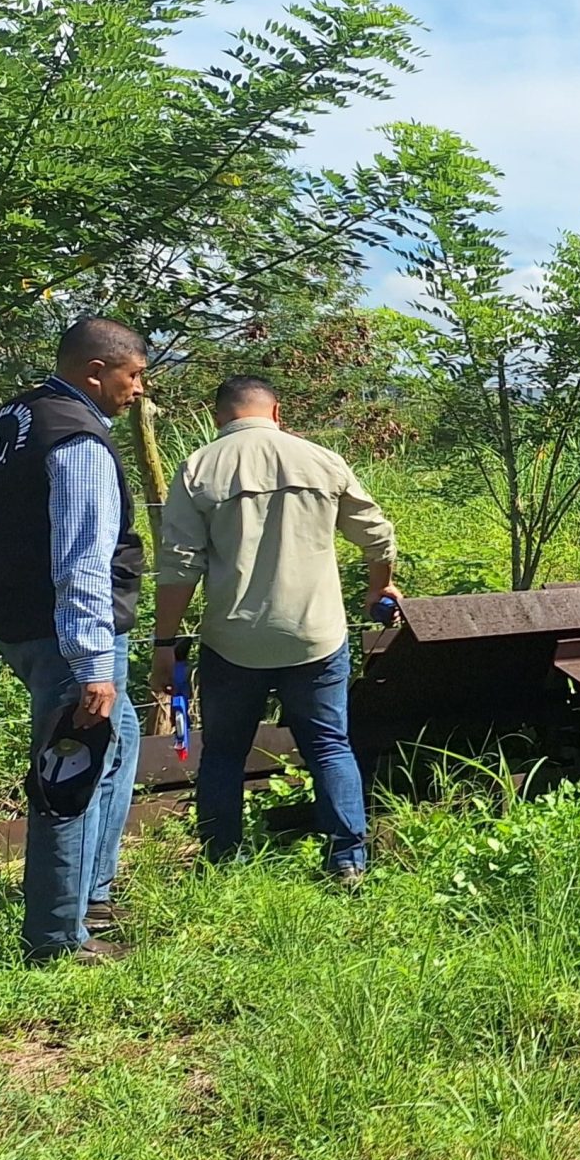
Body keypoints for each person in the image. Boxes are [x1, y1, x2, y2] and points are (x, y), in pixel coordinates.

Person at [152, 375, 399, 886]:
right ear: (276, 412)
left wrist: (165, 643)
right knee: (329, 746)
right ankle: (347, 860)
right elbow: (377, 535)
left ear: (219, 417)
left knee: (224, 753)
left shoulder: (199, 467)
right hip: (315, 635)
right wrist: (380, 586)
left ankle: (221, 860)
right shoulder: (321, 460)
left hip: (233, 641)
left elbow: (179, 566)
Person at [0, 316, 150, 964]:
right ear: (95, 372)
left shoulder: (16, 416)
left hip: (19, 621)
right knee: (72, 771)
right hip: (67, 635)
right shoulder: (77, 440)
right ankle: (56, 939)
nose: (139, 389)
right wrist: (93, 663)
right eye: (133, 374)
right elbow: (81, 562)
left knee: (121, 738)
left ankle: (91, 894)